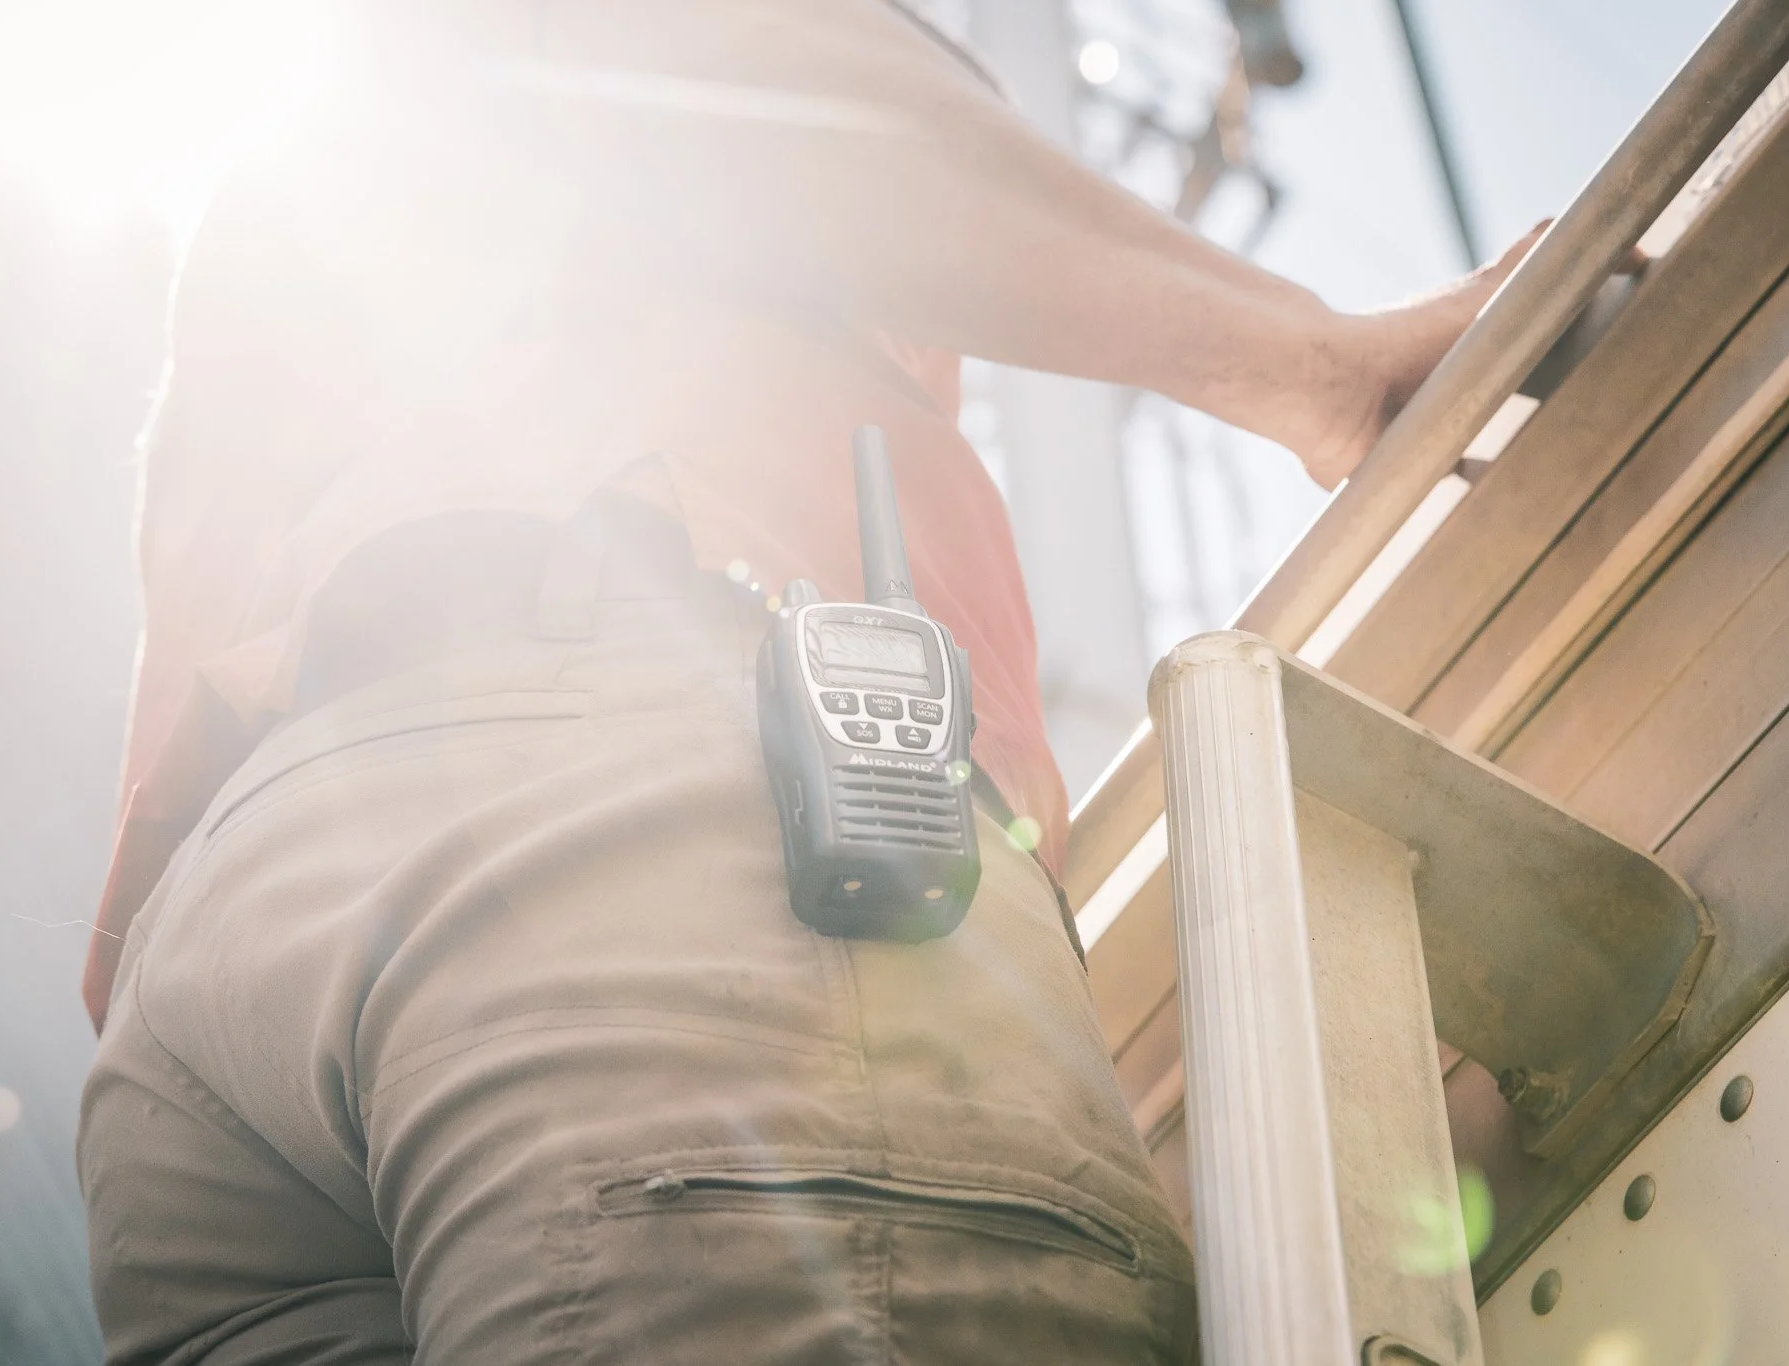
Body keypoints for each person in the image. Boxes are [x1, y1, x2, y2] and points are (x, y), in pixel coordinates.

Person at [76, 2, 1536, 1361]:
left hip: (215, 1018)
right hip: (636, 799)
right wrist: (1317, 369)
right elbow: (810, 115)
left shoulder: (311, 168)